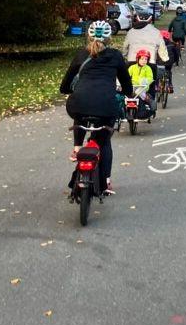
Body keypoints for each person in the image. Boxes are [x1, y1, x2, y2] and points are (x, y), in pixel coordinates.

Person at [60, 20, 133, 196]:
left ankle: (77, 147)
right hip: (106, 106)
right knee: (104, 142)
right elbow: (127, 85)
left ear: (89, 36)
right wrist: (126, 93)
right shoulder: (115, 56)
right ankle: (106, 181)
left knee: (80, 110)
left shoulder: (80, 55)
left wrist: (72, 90)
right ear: (109, 38)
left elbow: (64, 87)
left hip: (78, 104)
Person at [121, 11, 168, 106]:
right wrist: (165, 59)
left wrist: (125, 55)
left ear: (137, 19)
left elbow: (125, 47)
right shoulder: (156, 32)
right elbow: (162, 48)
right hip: (149, 61)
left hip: (132, 60)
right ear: (150, 20)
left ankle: (128, 101)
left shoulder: (131, 32)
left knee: (130, 82)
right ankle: (150, 104)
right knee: (150, 85)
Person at [128, 49, 155, 113]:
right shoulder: (132, 67)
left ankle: (147, 98)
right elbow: (127, 75)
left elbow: (150, 78)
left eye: (146, 59)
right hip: (133, 85)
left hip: (143, 86)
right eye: (142, 59)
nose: (144, 61)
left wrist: (144, 81)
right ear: (138, 59)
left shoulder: (148, 68)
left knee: (138, 91)